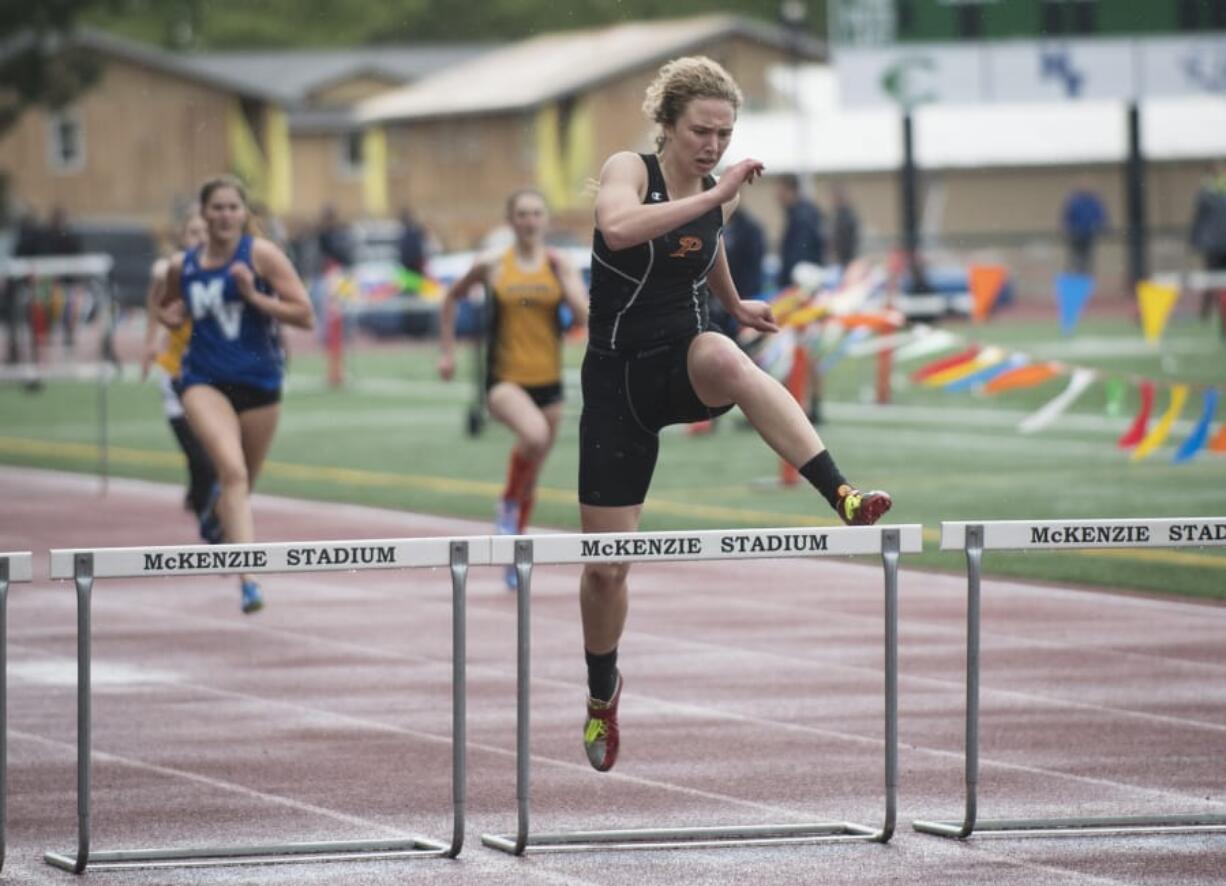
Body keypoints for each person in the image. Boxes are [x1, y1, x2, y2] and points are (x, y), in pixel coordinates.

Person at [578, 56, 892, 773]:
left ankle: (839, 492)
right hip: (617, 382)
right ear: (668, 124)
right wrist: (713, 194)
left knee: (724, 354)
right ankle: (602, 693)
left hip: (682, 359)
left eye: (725, 132)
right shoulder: (629, 167)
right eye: (701, 131)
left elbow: (704, 244)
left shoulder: (719, 191)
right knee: (605, 571)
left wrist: (735, 298)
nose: (714, 145)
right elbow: (623, 231)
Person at [160, 175, 314, 613]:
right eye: (217, 207)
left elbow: (305, 315)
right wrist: (169, 316)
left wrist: (253, 296)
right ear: (203, 214)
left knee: (244, 483)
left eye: (233, 207)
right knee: (233, 474)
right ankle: (249, 581)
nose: (225, 215)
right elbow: (166, 306)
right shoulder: (183, 265)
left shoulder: (261, 255)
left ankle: (215, 513)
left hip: (261, 382)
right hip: (203, 380)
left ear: (244, 214)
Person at [437, 189, 588, 588]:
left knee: (534, 474)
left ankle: (513, 554)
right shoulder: (492, 265)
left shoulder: (558, 264)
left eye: (537, 213)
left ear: (546, 220)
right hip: (505, 379)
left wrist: (573, 286)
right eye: (522, 213)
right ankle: (505, 505)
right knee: (533, 435)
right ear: (511, 220)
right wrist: (447, 353)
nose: (529, 220)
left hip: (549, 381)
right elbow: (450, 298)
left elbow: (584, 313)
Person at [141, 213, 220, 543]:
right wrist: (149, 343)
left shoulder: (225, 270)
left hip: (212, 374)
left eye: (206, 232)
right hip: (175, 372)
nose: (201, 238)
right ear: (183, 237)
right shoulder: (173, 269)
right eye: (193, 232)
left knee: (212, 453)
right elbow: (156, 295)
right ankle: (207, 512)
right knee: (198, 454)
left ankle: (201, 502)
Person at [1189, 159, 1226, 321]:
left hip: (1217, 242)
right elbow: (1199, 218)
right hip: (1213, 245)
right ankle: (1206, 312)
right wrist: (1194, 240)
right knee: (1212, 280)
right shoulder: (1205, 192)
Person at [776, 173, 825, 288]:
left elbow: (801, 253)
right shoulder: (798, 213)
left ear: (791, 190)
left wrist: (787, 280)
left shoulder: (803, 216)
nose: (777, 196)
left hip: (801, 281)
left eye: (780, 192)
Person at [1061, 182, 1107, 275]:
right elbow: (1068, 217)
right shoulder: (1075, 202)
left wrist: (1101, 227)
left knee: (1087, 257)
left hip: (1089, 234)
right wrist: (1069, 229)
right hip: (1076, 234)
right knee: (1075, 257)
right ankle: (1075, 275)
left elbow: (1100, 216)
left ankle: (1085, 275)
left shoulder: (1093, 202)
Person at [831, 184, 861, 269]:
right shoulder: (839, 216)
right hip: (844, 259)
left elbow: (847, 241)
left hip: (846, 259)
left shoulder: (846, 217)